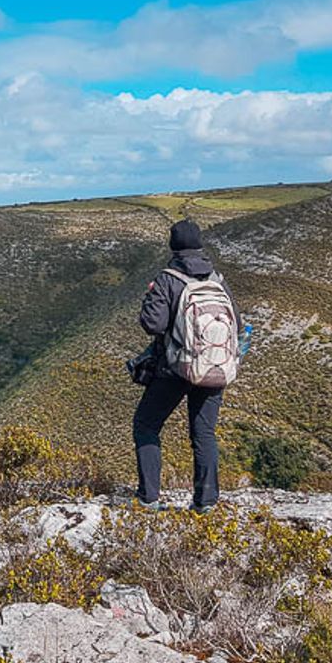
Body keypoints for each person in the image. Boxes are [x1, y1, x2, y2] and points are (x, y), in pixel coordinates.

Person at [134, 218, 240, 512]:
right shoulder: (217, 280)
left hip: (175, 368)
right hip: (214, 367)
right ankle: (205, 503)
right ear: (199, 245)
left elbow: (152, 325)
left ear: (173, 246)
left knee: (146, 424)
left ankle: (149, 498)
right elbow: (238, 324)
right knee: (203, 433)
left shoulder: (168, 279)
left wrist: (150, 296)